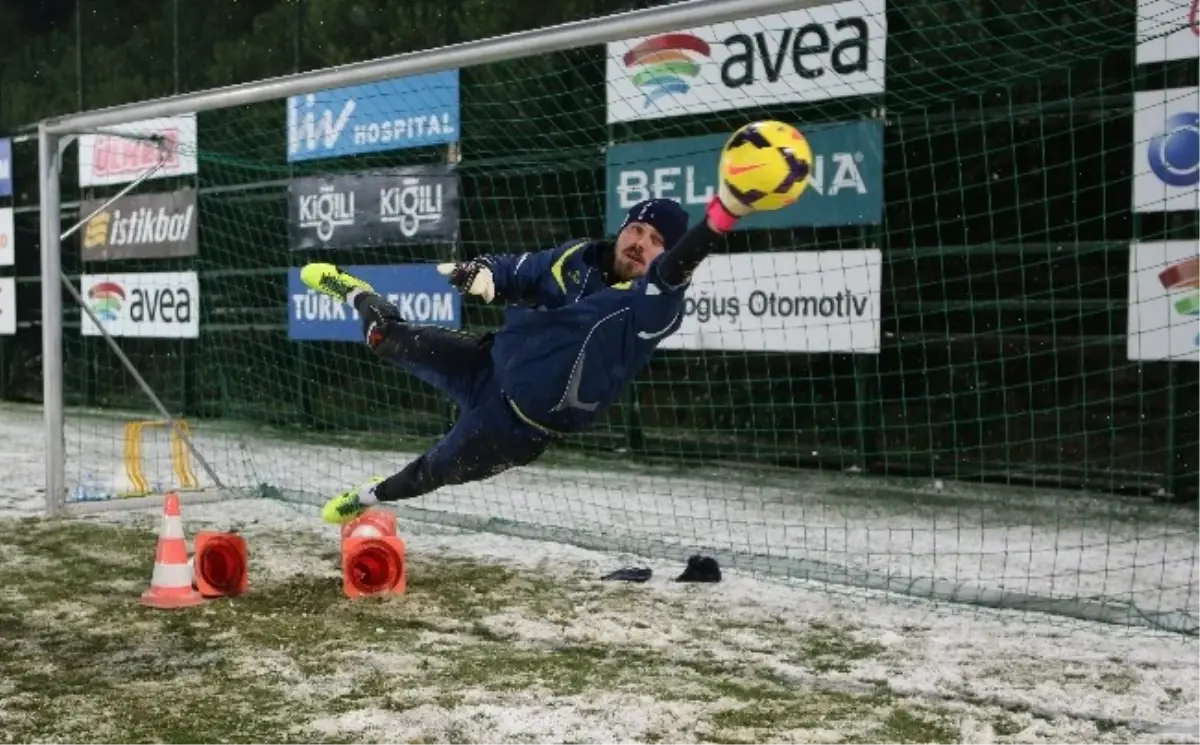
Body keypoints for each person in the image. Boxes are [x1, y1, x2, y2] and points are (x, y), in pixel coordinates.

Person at [301, 185, 758, 525]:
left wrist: (725, 214)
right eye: (636, 229)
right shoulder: (578, 257)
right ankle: (358, 293)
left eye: (657, 240)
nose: (641, 242)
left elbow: (678, 267)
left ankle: (364, 498)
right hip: (486, 363)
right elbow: (521, 269)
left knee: (431, 471)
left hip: (517, 428)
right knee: (386, 338)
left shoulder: (651, 305)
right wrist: (483, 273)